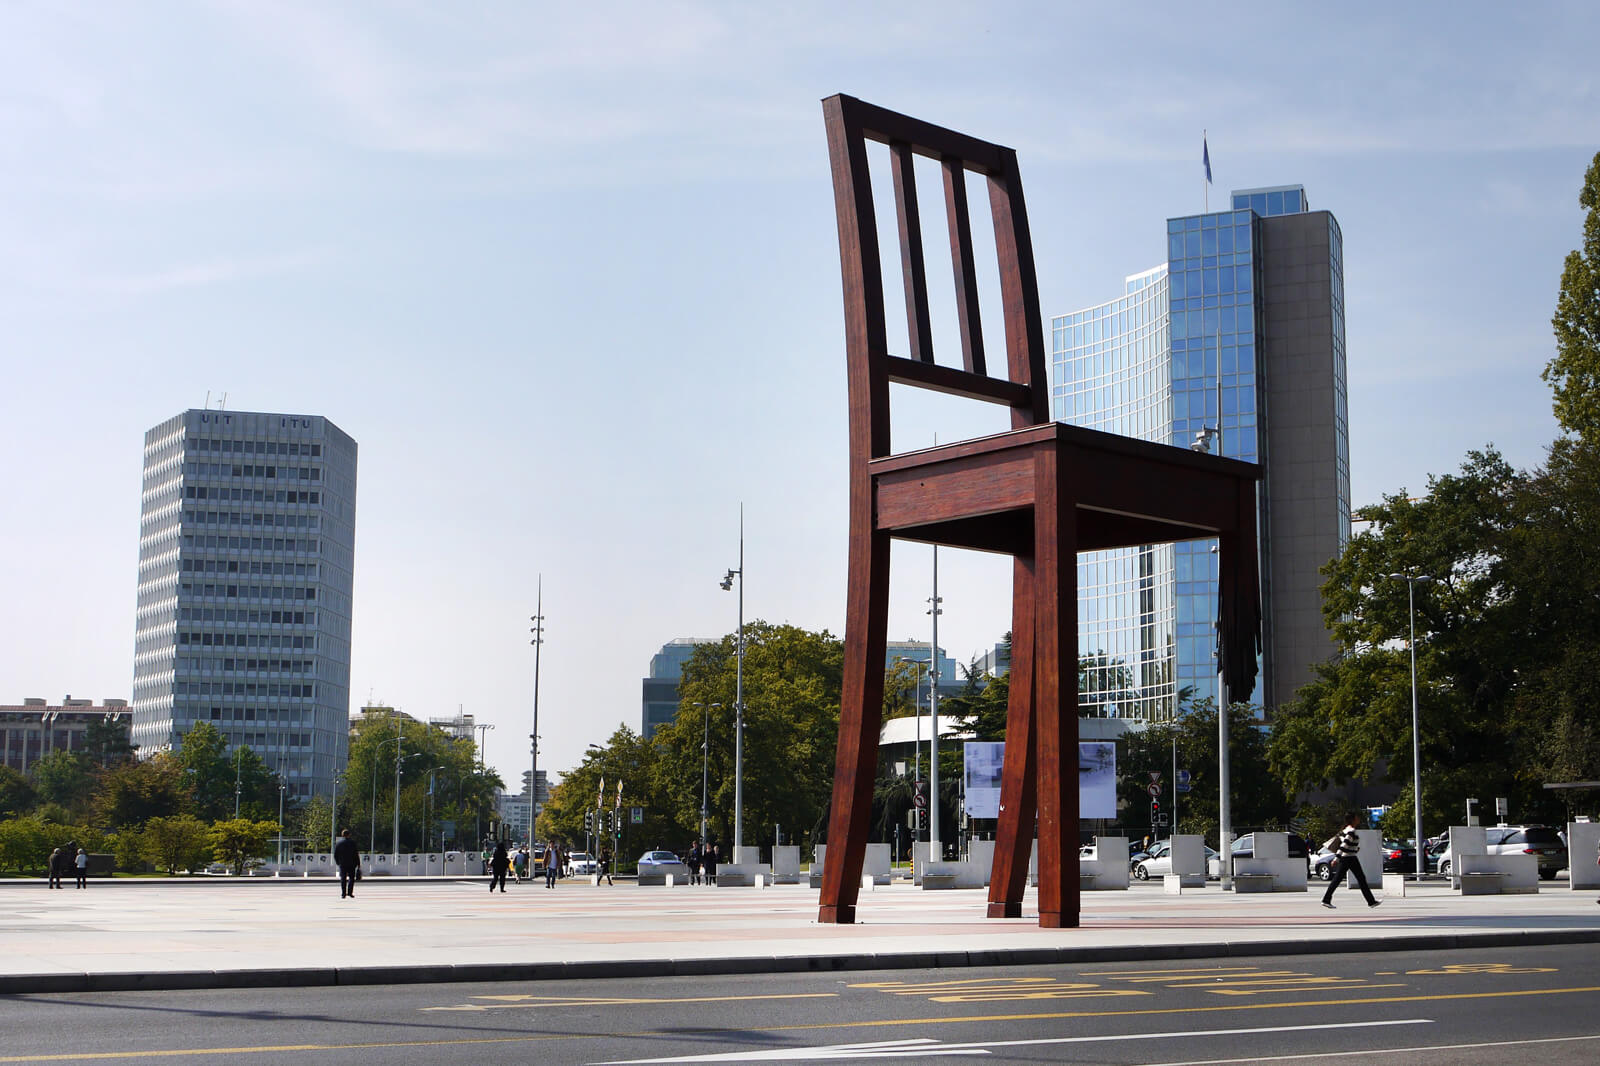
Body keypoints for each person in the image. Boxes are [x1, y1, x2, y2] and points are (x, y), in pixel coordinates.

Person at [1321, 813, 1379, 909]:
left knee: (1344, 879)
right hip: (1349, 858)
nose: (1358, 819)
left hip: (1349, 857)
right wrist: (1336, 858)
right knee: (1358, 879)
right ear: (1353, 819)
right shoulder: (1351, 831)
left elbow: (1348, 845)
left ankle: (1371, 901)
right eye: (1357, 817)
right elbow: (1344, 846)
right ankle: (1371, 901)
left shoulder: (1346, 830)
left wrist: (1355, 849)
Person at [334, 829, 361, 899]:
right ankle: (350, 893)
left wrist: (338, 862)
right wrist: (358, 863)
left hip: (342, 864)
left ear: (342, 835)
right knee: (351, 878)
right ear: (349, 834)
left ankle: (343, 894)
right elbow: (356, 854)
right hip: (352, 864)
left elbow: (335, 854)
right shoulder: (352, 843)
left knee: (343, 878)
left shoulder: (339, 843)